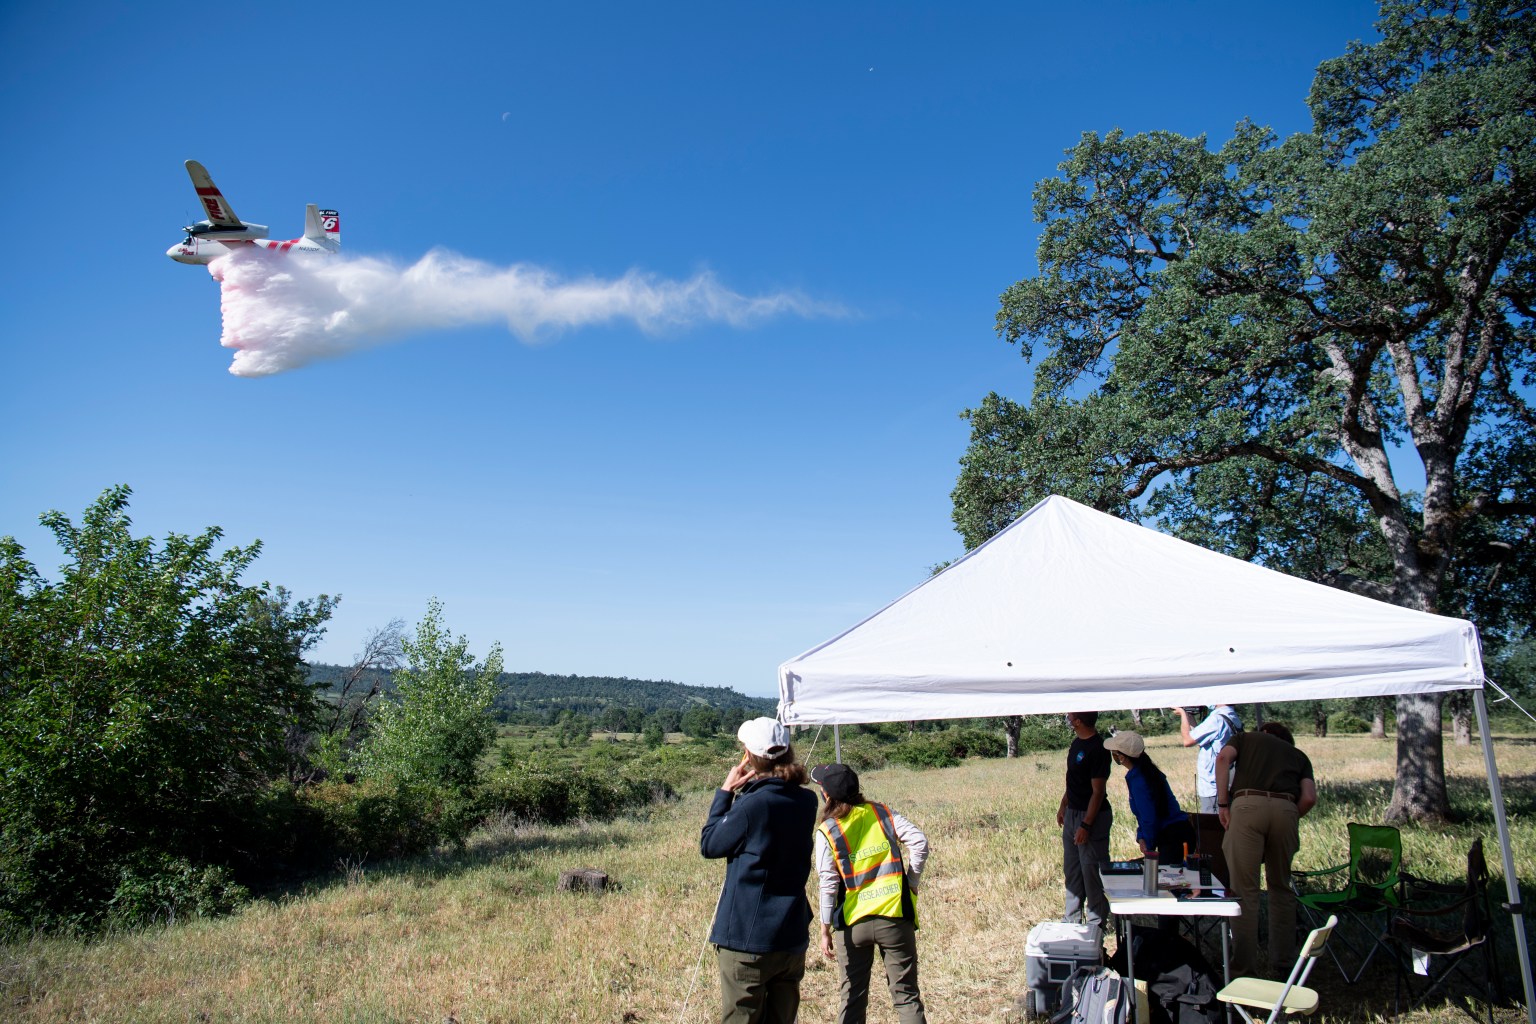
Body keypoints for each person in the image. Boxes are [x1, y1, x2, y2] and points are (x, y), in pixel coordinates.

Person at [700, 717, 819, 1024]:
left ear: (748, 757)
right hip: (791, 935)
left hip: (749, 940)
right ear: (788, 751)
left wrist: (726, 792)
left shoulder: (753, 805)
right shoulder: (807, 800)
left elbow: (710, 844)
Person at [811, 762, 930, 1024]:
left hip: (853, 924)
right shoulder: (882, 813)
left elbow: (828, 883)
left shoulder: (827, 830)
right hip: (895, 916)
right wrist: (912, 881)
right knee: (906, 996)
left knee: (852, 998)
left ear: (827, 796)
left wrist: (824, 929)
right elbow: (919, 841)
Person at [1215, 721, 1318, 978]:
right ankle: (1284, 964)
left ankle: (1244, 969)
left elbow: (1222, 758)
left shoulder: (1245, 738)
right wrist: (1289, 815)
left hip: (1247, 806)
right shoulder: (1298, 755)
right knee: (1281, 887)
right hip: (1286, 809)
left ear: (1265, 732)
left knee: (1244, 890)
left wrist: (1223, 803)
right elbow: (1308, 797)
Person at [1103, 730, 1197, 864]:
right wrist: (1142, 836)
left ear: (1122, 756)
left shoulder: (1139, 780)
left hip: (1174, 837)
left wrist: (1148, 845)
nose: (1113, 756)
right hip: (1179, 832)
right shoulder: (1147, 772)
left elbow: (1148, 817)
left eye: (1114, 752)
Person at [1057, 711, 1113, 931]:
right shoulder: (1076, 743)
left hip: (1092, 816)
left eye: (1071, 716)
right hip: (1073, 812)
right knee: (1072, 869)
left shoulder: (1098, 748)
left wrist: (1086, 825)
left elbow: (1097, 792)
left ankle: (1096, 923)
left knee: (1091, 870)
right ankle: (1071, 920)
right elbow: (1072, 780)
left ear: (1079, 721)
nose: (1068, 718)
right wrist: (1063, 806)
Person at [1173, 704, 1243, 813]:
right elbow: (1199, 738)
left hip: (1212, 786)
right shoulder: (1231, 716)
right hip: (1225, 782)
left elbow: (1187, 740)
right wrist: (1189, 716)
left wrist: (1182, 714)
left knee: (1212, 826)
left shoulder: (1216, 720)